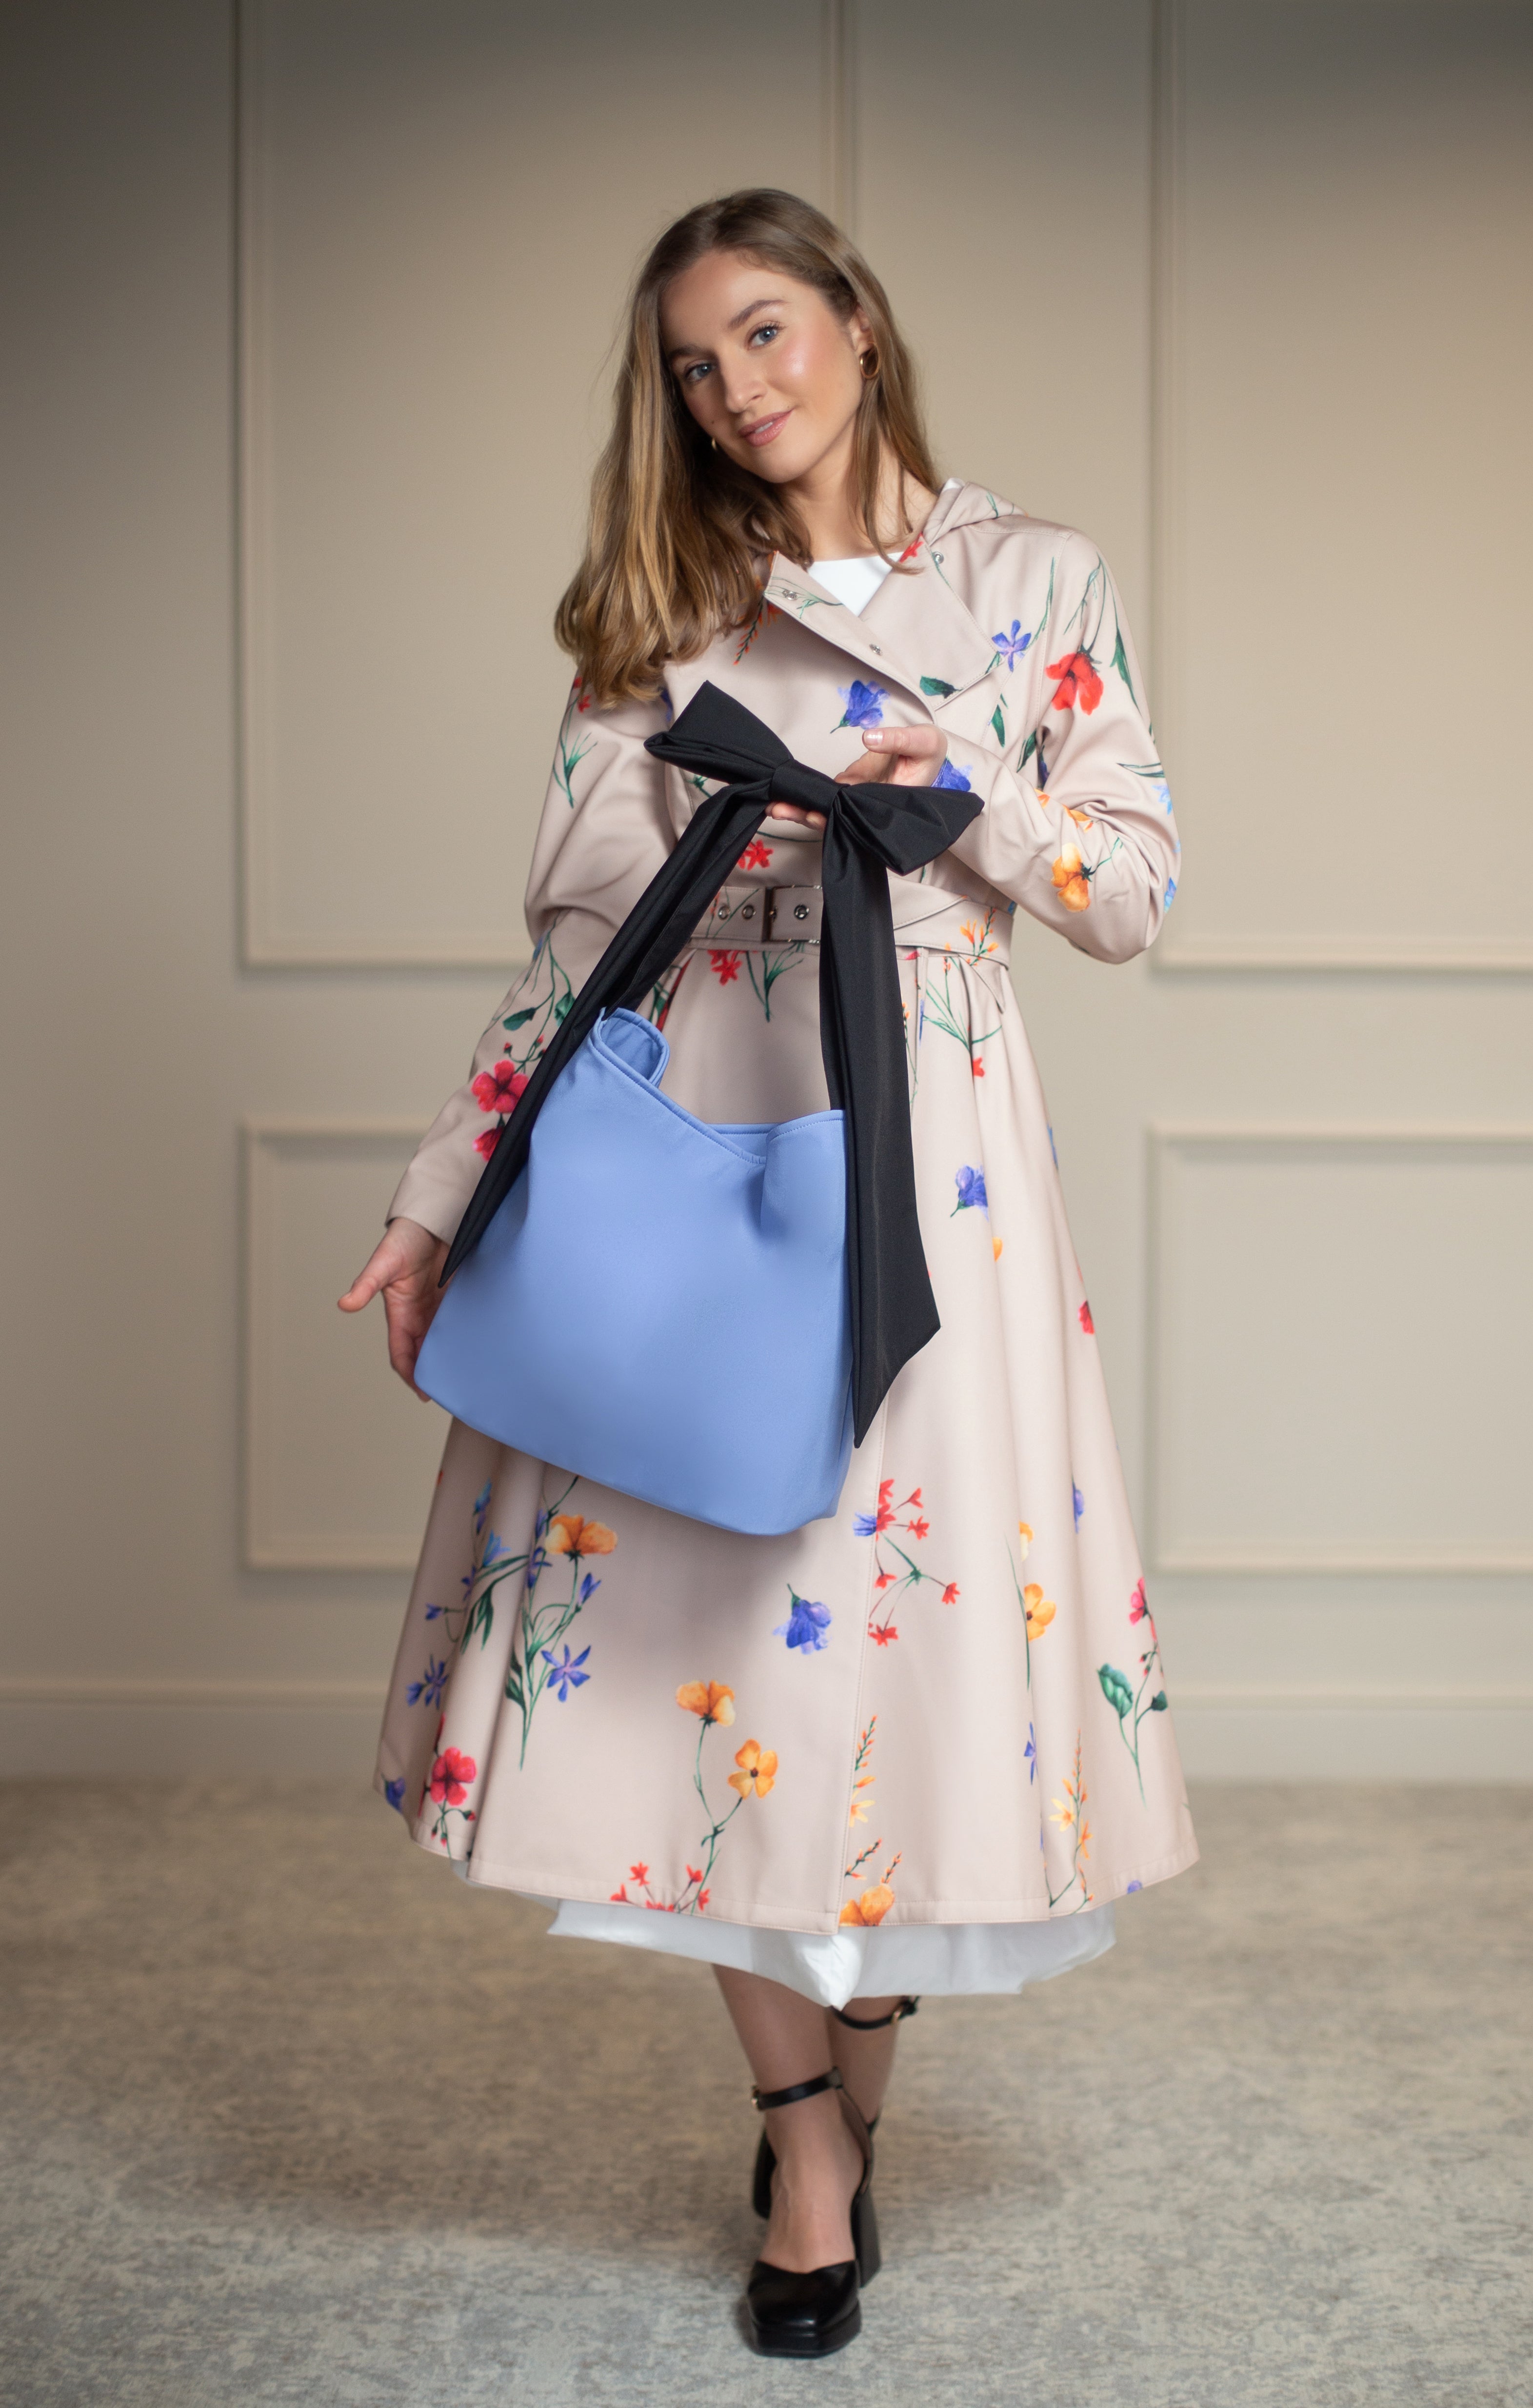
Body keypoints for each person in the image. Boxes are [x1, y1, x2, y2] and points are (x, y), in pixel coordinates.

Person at [338, 187, 1196, 2360]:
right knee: (727, 1666)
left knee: (891, 1679)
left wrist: (958, 790)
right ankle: (807, 2147)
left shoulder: (1031, 582)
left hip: (935, 1175)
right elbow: (570, 952)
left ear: (859, 324)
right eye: (692, 366)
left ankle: (845, 2105)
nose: (735, 390)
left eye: (766, 332)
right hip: (699, 1150)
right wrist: (441, 1199)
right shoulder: (657, 618)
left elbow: (1128, 891)